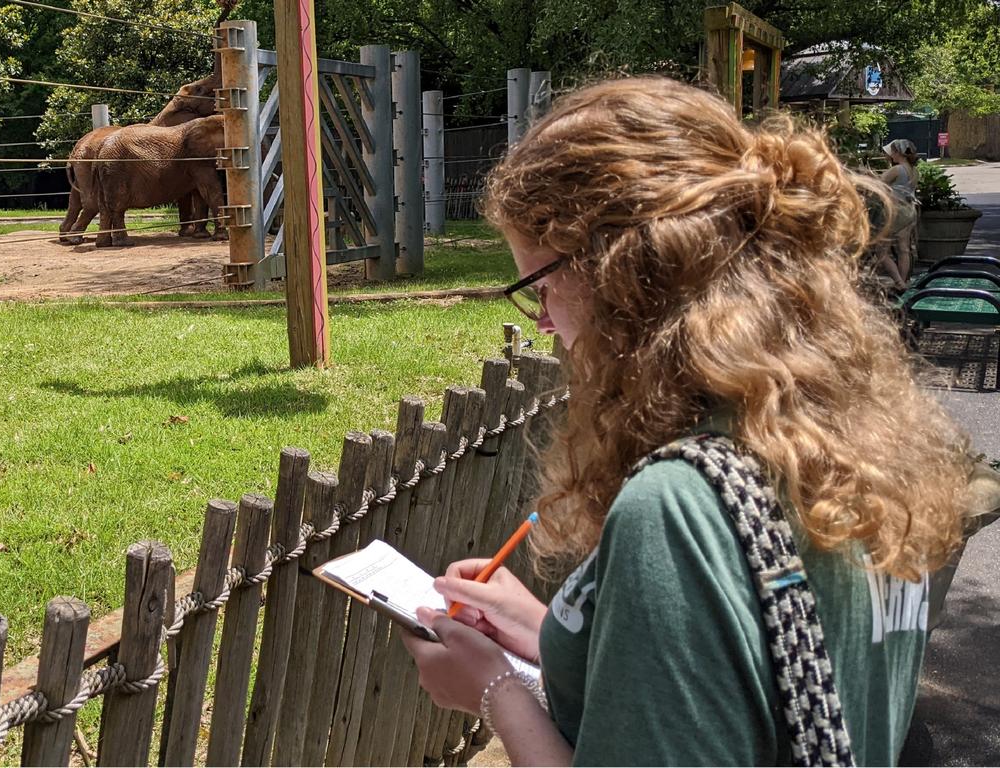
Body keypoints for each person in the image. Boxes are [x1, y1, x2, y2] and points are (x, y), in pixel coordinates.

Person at [401, 77, 969, 766]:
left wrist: (493, 691)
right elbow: (740, 683)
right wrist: (552, 633)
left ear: (623, 276)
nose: (545, 322)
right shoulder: (855, 451)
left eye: (541, 286)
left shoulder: (678, 508)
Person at [876, 139, 921, 290]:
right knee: (904, 249)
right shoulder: (914, 171)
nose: (890, 155)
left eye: (892, 152)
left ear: (898, 153)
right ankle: (903, 283)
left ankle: (898, 282)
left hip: (895, 212)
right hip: (909, 211)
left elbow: (877, 185)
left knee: (881, 250)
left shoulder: (896, 170)